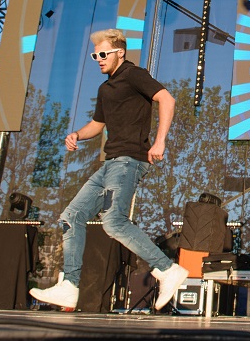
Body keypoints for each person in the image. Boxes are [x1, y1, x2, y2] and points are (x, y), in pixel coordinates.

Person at [30, 29, 188, 311]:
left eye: (103, 54)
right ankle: (69, 287)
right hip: (111, 161)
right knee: (71, 216)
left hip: (129, 160)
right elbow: (98, 124)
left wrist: (160, 141)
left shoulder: (134, 75)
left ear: (120, 53)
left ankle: (167, 269)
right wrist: (77, 134)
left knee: (113, 222)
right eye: (95, 55)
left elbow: (167, 99)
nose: (99, 59)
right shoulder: (105, 89)